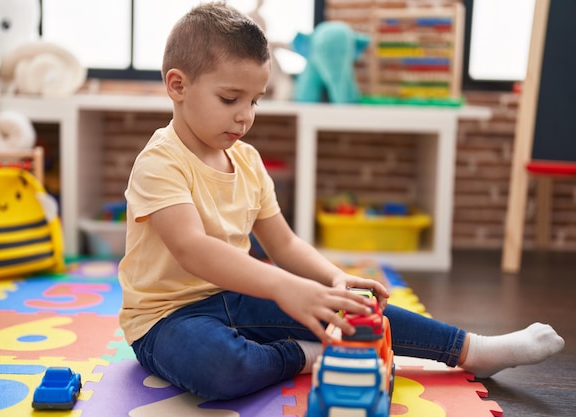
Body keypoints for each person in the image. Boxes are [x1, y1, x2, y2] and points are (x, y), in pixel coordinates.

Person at [118, 2, 564, 401]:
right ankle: (303, 354)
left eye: (255, 100)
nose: (245, 115)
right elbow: (193, 250)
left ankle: (471, 350)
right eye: (230, 98)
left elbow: (285, 246)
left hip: (239, 295)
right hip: (166, 319)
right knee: (221, 368)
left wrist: (334, 279)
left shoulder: (248, 161)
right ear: (177, 85)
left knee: (350, 305)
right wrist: (282, 286)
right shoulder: (160, 161)